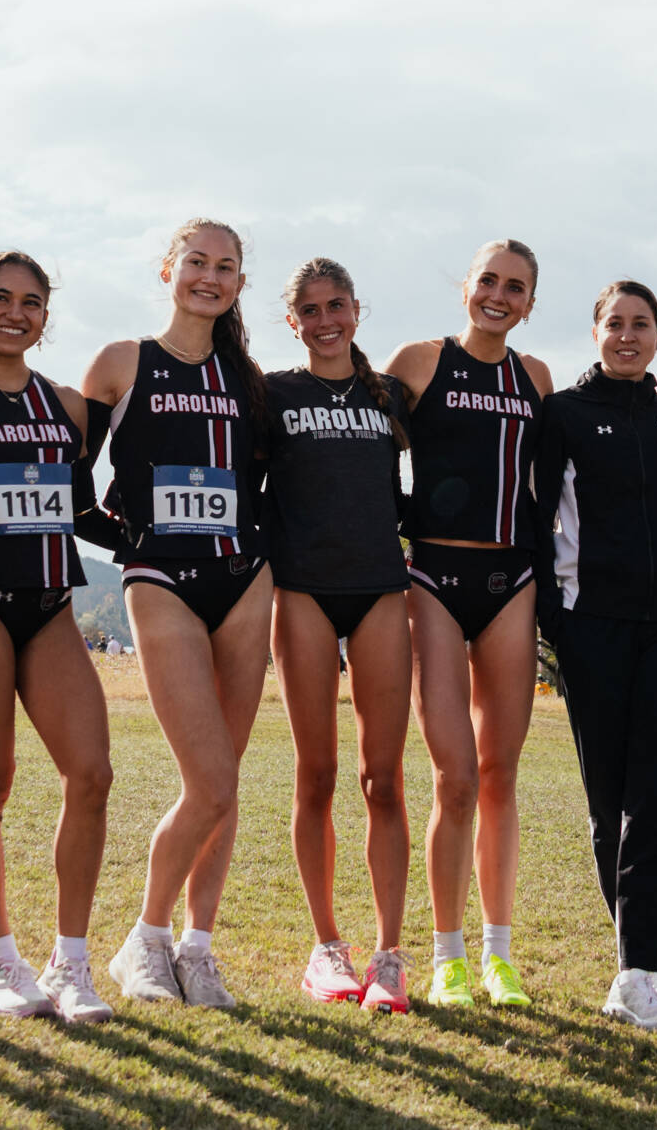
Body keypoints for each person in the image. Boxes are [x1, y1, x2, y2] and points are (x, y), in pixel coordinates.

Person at [85, 219, 272, 1009]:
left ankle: (197, 948)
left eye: (225, 267)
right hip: (160, 576)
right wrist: (129, 538)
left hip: (244, 580)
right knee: (212, 777)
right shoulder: (122, 363)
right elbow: (68, 483)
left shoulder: (248, 377)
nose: (209, 276)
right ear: (169, 268)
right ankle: (145, 940)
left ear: (237, 283)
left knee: (224, 786)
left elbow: (263, 484)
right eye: (196, 261)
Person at [0, 251, 114, 1024]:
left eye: (31, 302)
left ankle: (71, 964)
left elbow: (84, 513)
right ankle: (0, 964)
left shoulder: (69, 408)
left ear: (45, 317)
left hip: (49, 609)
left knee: (93, 774)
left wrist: (167, 538)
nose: (15, 312)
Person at [531, 282, 657, 1032]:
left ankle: (638, 966)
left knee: (654, 799)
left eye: (641, 325)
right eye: (615, 323)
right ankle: (640, 960)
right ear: (596, 331)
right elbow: (536, 517)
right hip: (590, 624)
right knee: (609, 804)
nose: (627, 335)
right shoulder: (564, 415)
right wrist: (553, 623)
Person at [387, 238, 554, 1008]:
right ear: (466, 287)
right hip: (433, 577)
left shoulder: (536, 378)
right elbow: (357, 445)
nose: (499, 294)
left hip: (510, 578)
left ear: (529, 302)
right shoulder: (420, 362)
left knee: (498, 775)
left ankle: (498, 954)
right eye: (488, 280)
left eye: (514, 287)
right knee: (454, 777)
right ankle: (445, 956)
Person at [266, 259, 415, 1013]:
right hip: (301, 592)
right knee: (317, 774)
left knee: (382, 779)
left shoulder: (390, 396)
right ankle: (327, 949)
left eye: (337, 306)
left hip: (382, 588)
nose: (326, 320)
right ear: (292, 320)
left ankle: (389, 956)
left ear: (357, 308)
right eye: (310, 310)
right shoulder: (275, 393)